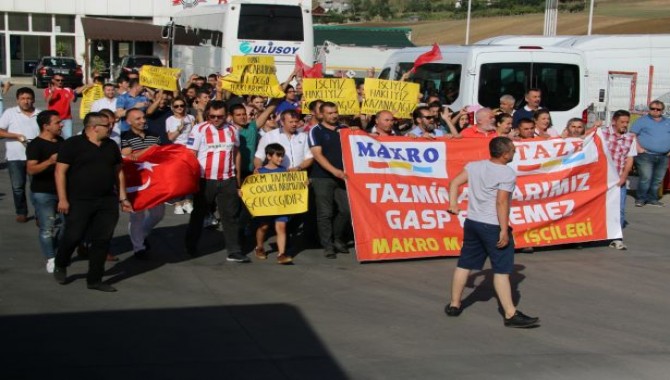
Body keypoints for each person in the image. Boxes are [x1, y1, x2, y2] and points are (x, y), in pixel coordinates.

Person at [445, 136, 539, 328]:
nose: (515, 152)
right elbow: (501, 202)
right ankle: (510, 314)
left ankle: (454, 304)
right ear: (504, 154)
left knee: (465, 263)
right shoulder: (506, 173)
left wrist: (453, 204)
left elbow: (454, 183)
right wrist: (504, 230)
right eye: (513, 150)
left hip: (473, 222)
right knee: (502, 270)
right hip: (492, 225)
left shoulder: (475, 166)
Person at [53, 112, 133, 292]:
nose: (111, 128)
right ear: (93, 127)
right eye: (107, 125)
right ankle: (61, 262)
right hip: (80, 200)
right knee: (73, 235)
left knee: (102, 240)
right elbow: (60, 172)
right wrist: (63, 199)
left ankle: (95, 279)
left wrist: (123, 197)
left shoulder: (111, 145)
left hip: (106, 200)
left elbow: (118, 172)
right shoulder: (72, 145)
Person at [184, 100, 249, 263]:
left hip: (227, 179)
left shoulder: (232, 130)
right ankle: (191, 245)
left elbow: (236, 153)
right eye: (212, 116)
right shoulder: (199, 129)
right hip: (205, 180)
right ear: (207, 114)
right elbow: (191, 155)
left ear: (226, 116)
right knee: (199, 214)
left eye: (219, 116)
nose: (215, 119)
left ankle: (234, 251)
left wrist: (237, 179)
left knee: (230, 216)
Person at [308, 102, 351, 259]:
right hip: (322, 177)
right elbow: (317, 155)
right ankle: (327, 245)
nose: (334, 115)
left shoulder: (344, 130)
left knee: (346, 210)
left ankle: (337, 238)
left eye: (335, 112)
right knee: (325, 213)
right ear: (321, 114)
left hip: (343, 176)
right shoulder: (316, 131)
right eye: (329, 113)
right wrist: (334, 171)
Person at [121, 109, 164, 260]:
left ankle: (142, 234)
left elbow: (160, 155)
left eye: (143, 118)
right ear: (129, 122)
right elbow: (127, 157)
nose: (142, 121)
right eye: (138, 118)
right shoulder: (125, 137)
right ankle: (138, 248)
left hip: (154, 181)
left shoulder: (154, 135)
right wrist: (149, 150)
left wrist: (141, 152)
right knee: (137, 216)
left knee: (158, 214)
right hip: (135, 182)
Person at [26, 110, 64, 273]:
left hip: (62, 191)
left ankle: (56, 246)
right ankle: (51, 258)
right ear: (46, 126)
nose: (61, 125)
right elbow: (31, 169)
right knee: (47, 227)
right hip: (43, 192)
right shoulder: (35, 145)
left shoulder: (62, 141)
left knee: (68, 224)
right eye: (57, 122)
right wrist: (50, 161)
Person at [0, 87, 41, 223]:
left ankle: (39, 214)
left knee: (37, 187)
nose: (26, 101)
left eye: (29, 98)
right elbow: (0, 131)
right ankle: (21, 212)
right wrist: (16, 136)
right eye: (23, 98)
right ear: (17, 100)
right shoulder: (10, 113)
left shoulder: (39, 114)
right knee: (18, 187)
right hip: (15, 156)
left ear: (33, 100)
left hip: (35, 158)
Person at [251, 143, 293, 265]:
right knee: (264, 227)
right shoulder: (260, 171)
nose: (280, 159)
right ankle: (259, 247)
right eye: (278, 156)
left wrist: (302, 183)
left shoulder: (285, 171)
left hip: (280, 206)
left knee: (281, 227)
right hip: (266, 206)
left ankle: (281, 254)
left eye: (282, 156)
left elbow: (292, 186)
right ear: (269, 156)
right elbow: (252, 189)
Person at [601, 110, 637, 250]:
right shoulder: (602, 133)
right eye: (622, 122)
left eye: (627, 122)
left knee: (619, 209)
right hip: (602, 178)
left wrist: (623, 177)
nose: (625, 125)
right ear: (614, 121)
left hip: (618, 179)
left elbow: (630, 158)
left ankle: (616, 238)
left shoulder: (630, 138)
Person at [630, 100, 670, 207]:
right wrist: (638, 148)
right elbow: (632, 134)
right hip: (645, 155)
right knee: (645, 178)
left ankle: (653, 198)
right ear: (649, 109)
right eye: (652, 109)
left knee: (657, 179)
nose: (655, 111)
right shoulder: (641, 121)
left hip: (663, 156)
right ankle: (641, 199)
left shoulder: (668, 122)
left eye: (658, 109)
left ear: (662, 110)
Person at [44, 74, 89, 139]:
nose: (60, 82)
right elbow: (47, 100)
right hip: (53, 119)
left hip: (66, 118)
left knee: (67, 137)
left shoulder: (67, 89)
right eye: (58, 80)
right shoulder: (48, 90)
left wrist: (81, 89)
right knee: (53, 137)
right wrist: (52, 93)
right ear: (53, 80)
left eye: (62, 80)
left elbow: (74, 99)